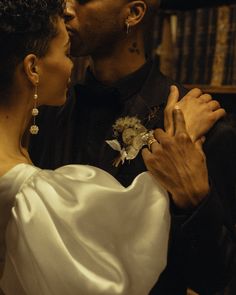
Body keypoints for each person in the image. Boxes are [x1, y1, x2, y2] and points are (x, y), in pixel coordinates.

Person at [29, 0, 236, 294]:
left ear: (134, 13)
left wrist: (194, 201)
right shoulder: (45, 110)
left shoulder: (200, 126)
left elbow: (217, 277)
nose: (67, 8)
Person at [0, 1, 172, 294]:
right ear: (32, 68)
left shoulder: (173, 109)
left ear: (134, 13)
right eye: (65, 53)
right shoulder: (48, 123)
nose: (67, 7)